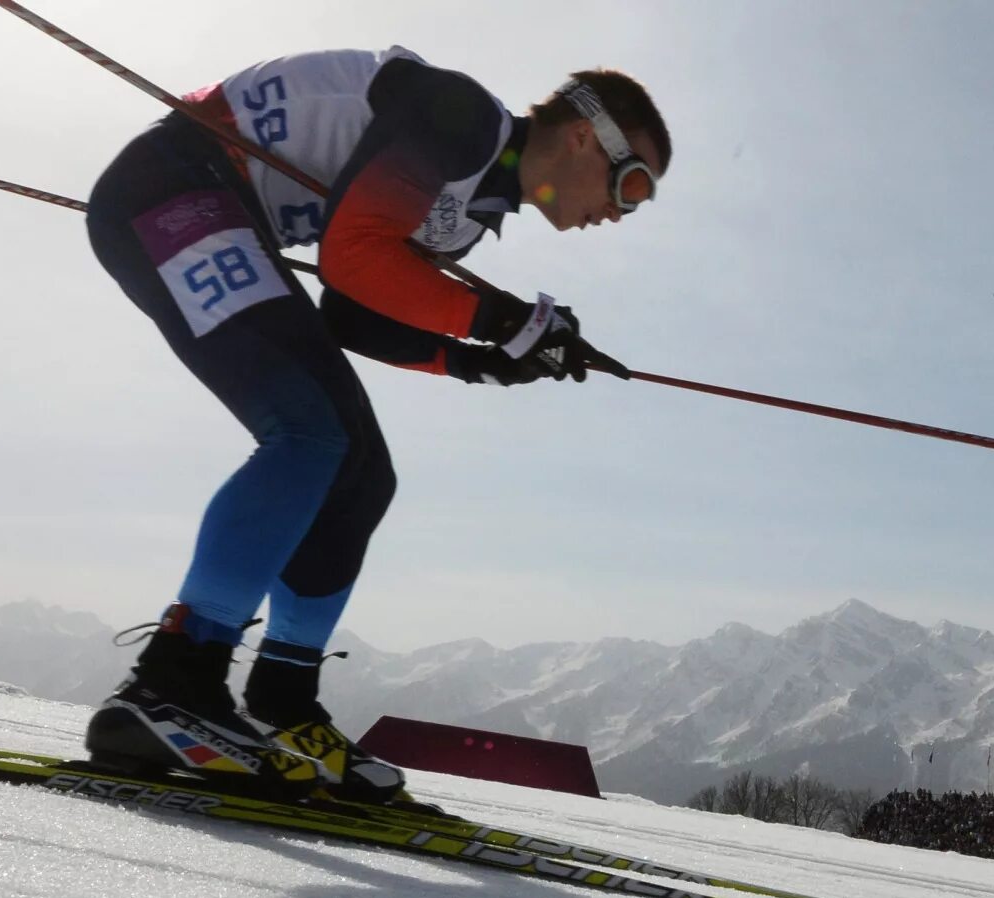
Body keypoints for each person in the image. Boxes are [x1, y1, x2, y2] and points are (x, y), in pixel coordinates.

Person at [75, 46, 670, 803]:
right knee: (308, 434)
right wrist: (503, 320)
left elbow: (351, 313)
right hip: (173, 188)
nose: (623, 211)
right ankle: (169, 685)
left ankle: (284, 702)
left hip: (214, 207)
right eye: (635, 183)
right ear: (587, 136)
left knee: (360, 468)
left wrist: (482, 361)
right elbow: (354, 259)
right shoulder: (462, 119)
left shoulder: (467, 210)